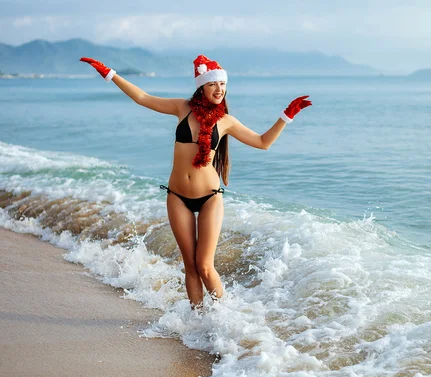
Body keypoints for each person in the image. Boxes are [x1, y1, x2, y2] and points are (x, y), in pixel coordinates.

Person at [80, 55, 311, 309]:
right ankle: (198, 322)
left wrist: (286, 116)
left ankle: (225, 321)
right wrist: (110, 73)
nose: (219, 89)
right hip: (177, 196)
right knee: (190, 266)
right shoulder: (182, 107)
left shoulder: (226, 121)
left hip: (210, 196)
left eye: (222, 85)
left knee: (204, 265)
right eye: (213, 85)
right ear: (202, 86)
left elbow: (262, 142)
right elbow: (142, 98)